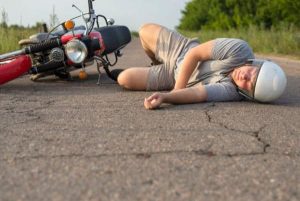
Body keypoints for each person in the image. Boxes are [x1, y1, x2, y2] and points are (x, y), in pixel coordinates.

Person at [115, 23, 287, 109]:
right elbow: (195, 54)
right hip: (182, 52)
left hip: (172, 77)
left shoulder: (232, 92)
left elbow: (198, 93)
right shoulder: (240, 50)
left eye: (250, 83)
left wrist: (167, 97)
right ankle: (156, 60)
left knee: (124, 79)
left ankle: (160, 68)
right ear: (255, 64)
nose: (245, 76)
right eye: (251, 72)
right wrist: (176, 91)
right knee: (144, 30)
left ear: (248, 95)